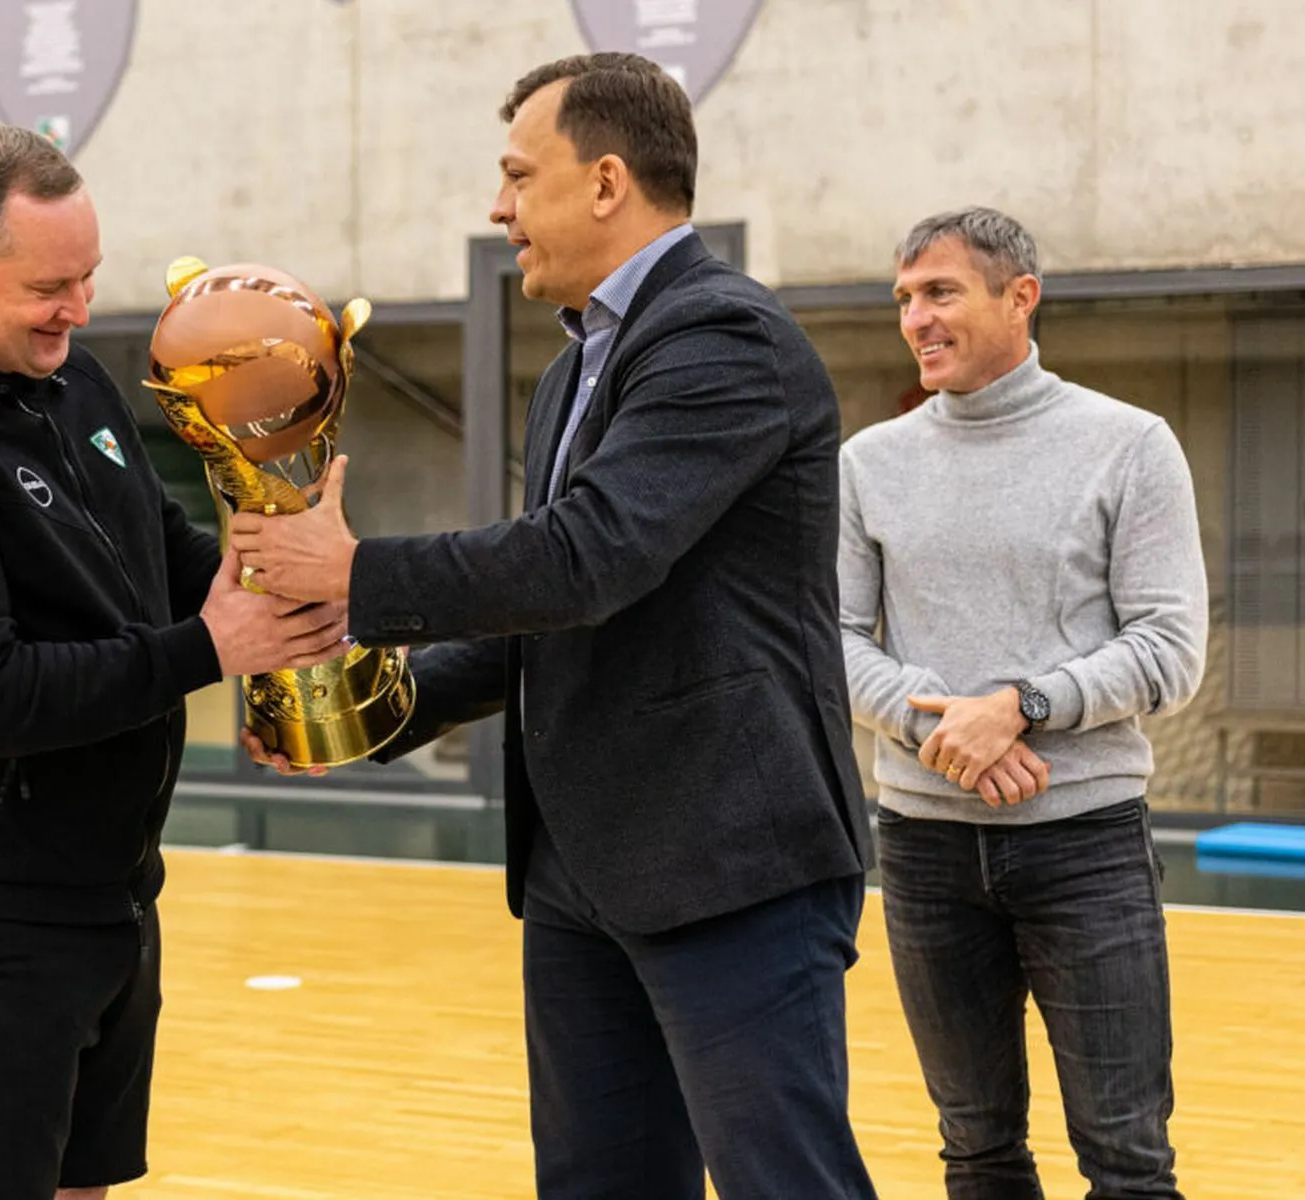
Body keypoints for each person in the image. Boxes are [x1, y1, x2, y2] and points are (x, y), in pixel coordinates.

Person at [230, 54, 877, 1200]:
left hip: (727, 861)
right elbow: (553, 618)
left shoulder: (721, 340)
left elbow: (590, 559)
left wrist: (354, 573)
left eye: (517, 176)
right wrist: (361, 713)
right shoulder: (580, 362)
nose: (498, 208)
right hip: (584, 865)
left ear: (606, 182)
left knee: (787, 1185)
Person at [0, 125, 347, 1200]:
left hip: (112, 892)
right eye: (49, 285)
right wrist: (209, 649)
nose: (80, 307)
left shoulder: (74, 384)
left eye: (90, 276)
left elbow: (168, 557)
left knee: (84, 1185)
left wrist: (298, 578)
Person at [838, 206, 1208, 1199]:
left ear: (1019, 297)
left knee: (1127, 1162)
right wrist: (946, 730)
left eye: (940, 293)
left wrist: (1023, 704)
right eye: (903, 298)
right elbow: (831, 642)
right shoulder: (866, 462)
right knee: (975, 1151)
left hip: (1083, 845)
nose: (915, 318)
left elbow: (1169, 650)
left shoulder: (1128, 446)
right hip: (920, 850)